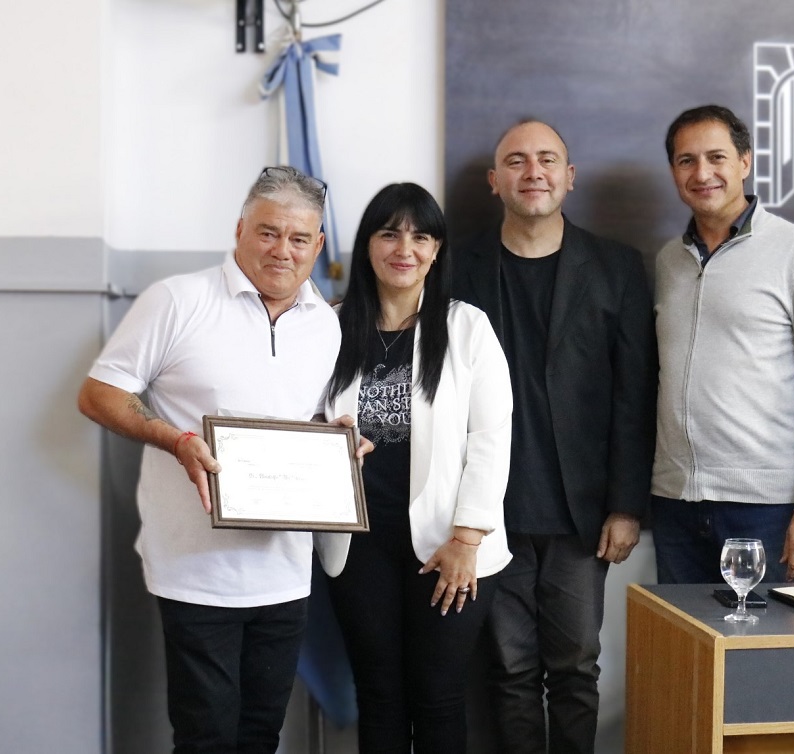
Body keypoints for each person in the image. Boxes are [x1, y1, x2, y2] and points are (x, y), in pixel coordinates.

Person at [78, 166, 362, 753]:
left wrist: (339, 448)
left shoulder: (326, 326)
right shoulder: (177, 300)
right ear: (239, 229)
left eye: (299, 238)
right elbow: (99, 394)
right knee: (205, 737)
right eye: (268, 232)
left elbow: (313, 420)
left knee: (260, 735)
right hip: (194, 571)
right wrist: (176, 440)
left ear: (318, 246)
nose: (282, 251)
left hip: (285, 571)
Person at [452, 119, 658, 754]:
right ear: (495, 181)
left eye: (547, 160)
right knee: (509, 671)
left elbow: (635, 396)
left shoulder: (616, 267)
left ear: (569, 177)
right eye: (516, 161)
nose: (532, 171)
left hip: (581, 514)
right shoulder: (456, 266)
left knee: (575, 671)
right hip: (488, 510)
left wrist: (626, 506)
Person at [323, 182, 513, 754]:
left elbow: (492, 438)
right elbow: (300, 419)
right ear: (367, 246)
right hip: (358, 545)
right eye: (389, 234)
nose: (404, 248)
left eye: (420, 236)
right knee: (378, 694)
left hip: (448, 547)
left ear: (436, 251)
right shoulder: (329, 327)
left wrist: (466, 538)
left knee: (438, 696)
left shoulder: (467, 327)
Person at [652, 104, 794, 585]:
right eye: (686, 161)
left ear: (745, 161)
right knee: (681, 637)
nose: (702, 173)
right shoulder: (669, 260)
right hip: (676, 506)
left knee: (772, 638)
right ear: (673, 172)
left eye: (717, 157)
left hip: (769, 511)